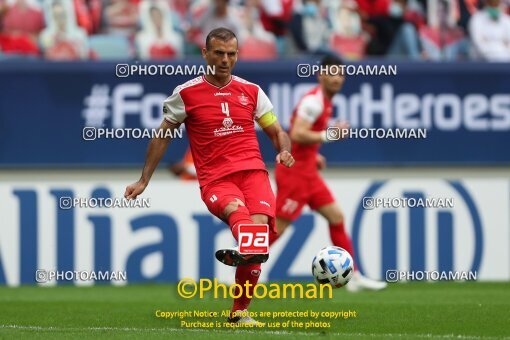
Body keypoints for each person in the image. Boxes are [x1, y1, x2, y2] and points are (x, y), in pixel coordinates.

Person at [124, 27, 294, 325]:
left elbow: (277, 131)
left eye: (231, 54)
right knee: (240, 217)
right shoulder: (186, 93)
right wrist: (144, 179)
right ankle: (248, 244)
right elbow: (163, 135)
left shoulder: (252, 91)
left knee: (258, 238)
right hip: (217, 179)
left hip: (254, 173)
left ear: (237, 54)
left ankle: (239, 312)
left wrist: (283, 150)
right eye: (219, 53)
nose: (225, 60)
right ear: (205, 53)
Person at [274, 55, 387, 292]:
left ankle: (352, 276)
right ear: (320, 75)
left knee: (336, 217)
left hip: (308, 172)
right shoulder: (313, 102)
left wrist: (313, 155)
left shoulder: (324, 101)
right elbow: (295, 133)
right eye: (332, 73)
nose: (337, 79)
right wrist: (329, 136)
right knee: (278, 228)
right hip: (295, 174)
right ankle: (246, 256)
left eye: (340, 74)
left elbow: (300, 134)